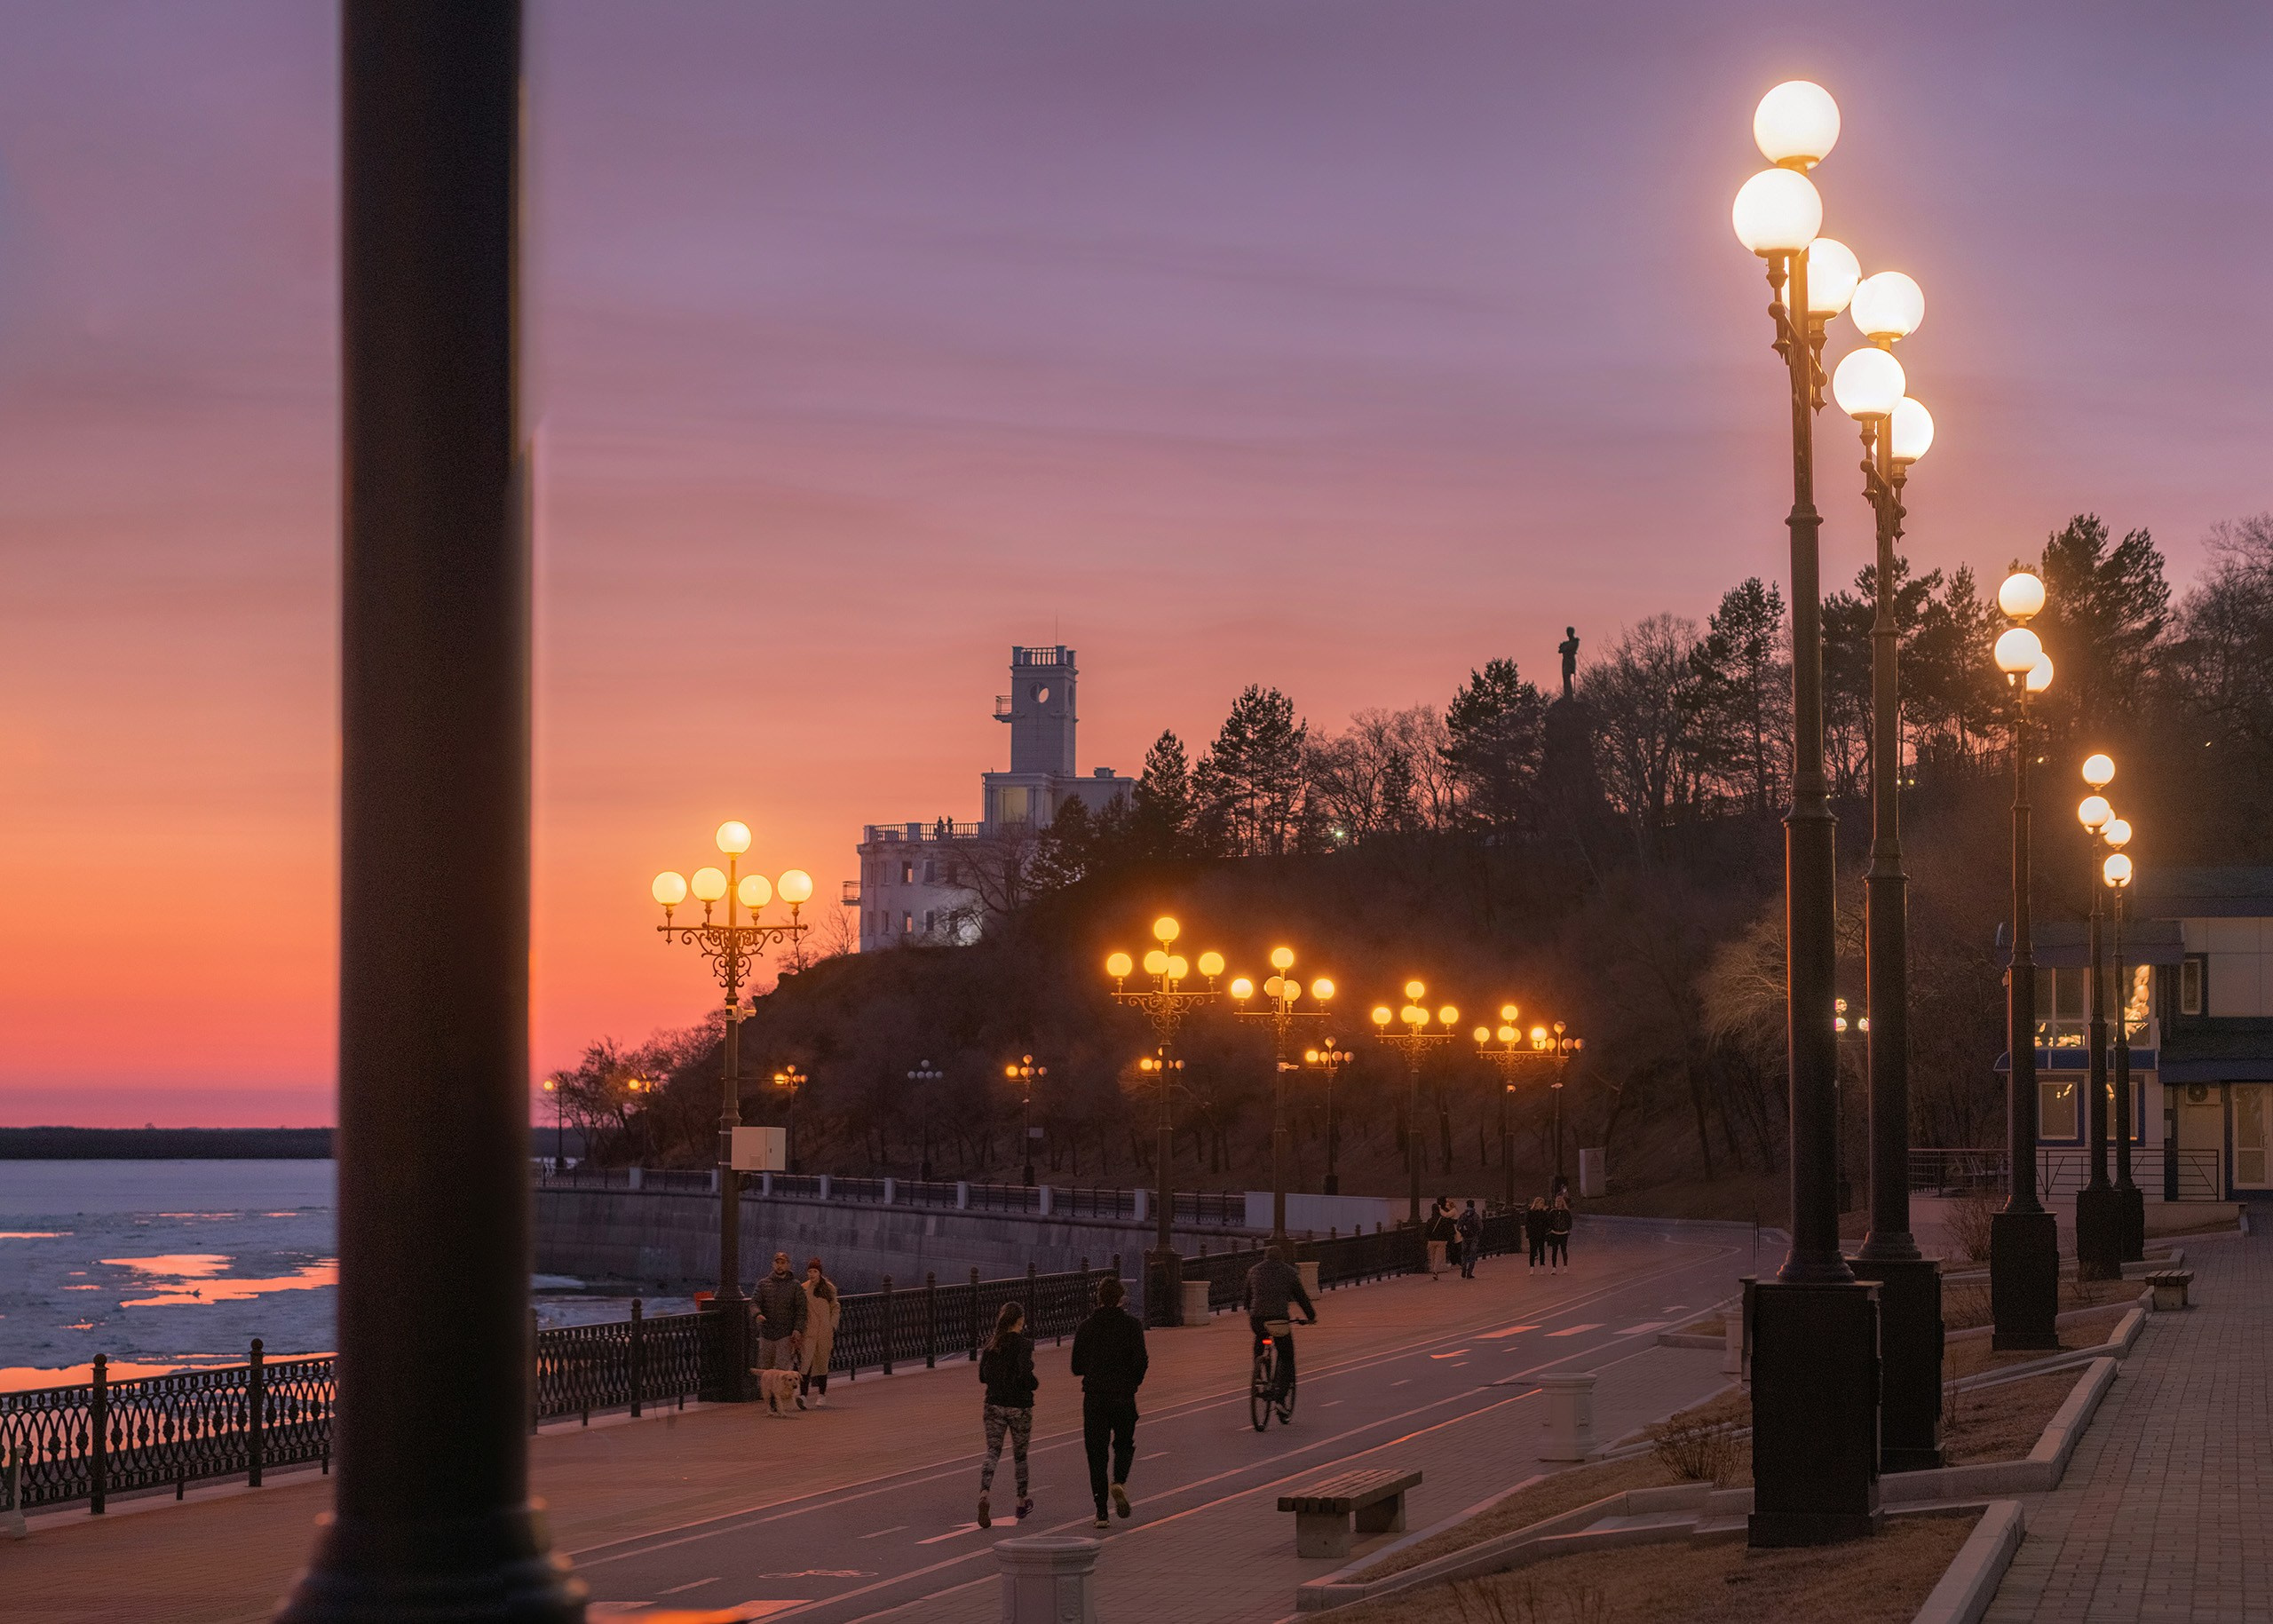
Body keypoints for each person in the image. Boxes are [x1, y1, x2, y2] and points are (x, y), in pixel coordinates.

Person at [1069, 1275, 1148, 1530]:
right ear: (1121, 1298)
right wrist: (1132, 1383)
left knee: (1096, 1455)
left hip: (1095, 1398)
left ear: (1098, 1298)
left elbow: (1076, 1366)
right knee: (1124, 1444)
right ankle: (1119, 1482)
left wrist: (1094, 1369)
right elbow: (1141, 1361)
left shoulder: (1086, 1327)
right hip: (1124, 1396)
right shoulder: (1132, 1326)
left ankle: (1101, 1513)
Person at [975, 1301, 1037, 1528]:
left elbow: (983, 1377)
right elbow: (1025, 1373)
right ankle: (1021, 1501)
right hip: (1019, 1406)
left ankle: (984, 1494)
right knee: (1020, 1455)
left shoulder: (991, 1345)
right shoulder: (1024, 1345)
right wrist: (1033, 1384)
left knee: (992, 1451)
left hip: (994, 1404)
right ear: (1020, 1321)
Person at [1244, 1241, 1317, 1406]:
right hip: (1279, 1320)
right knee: (1286, 1354)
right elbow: (1302, 1298)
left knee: (1260, 1339)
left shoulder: (1253, 1271)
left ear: (1265, 1257)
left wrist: (1252, 1312)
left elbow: (1247, 1299)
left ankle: (1259, 1373)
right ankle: (1280, 1396)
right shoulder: (1289, 1272)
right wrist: (1311, 1316)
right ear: (1281, 1258)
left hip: (1257, 1320)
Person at [751, 1249, 808, 1414]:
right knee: (765, 1368)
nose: (780, 1266)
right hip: (767, 1332)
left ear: (788, 1265)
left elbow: (801, 1310)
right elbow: (754, 1302)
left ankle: (778, 1401)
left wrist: (797, 1329)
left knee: (782, 1369)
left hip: (785, 1333)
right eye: (777, 1263)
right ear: (773, 1264)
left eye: (783, 1263)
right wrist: (757, 1314)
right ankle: (768, 1398)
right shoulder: (763, 1284)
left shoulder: (795, 1285)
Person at [799, 1257, 839, 1409]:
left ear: (820, 1273)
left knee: (822, 1363)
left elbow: (835, 1307)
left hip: (824, 1331)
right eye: (809, 1271)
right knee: (805, 1363)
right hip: (809, 1330)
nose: (812, 1274)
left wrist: (831, 1325)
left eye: (815, 1271)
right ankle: (803, 1395)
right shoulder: (803, 1288)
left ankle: (822, 1394)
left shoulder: (828, 1288)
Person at [1424, 1197, 1454, 1278]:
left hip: (1431, 1241)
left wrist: (1429, 1237)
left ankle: (1433, 1269)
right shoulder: (1442, 1220)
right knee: (1439, 1257)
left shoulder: (1429, 1220)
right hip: (1441, 1241)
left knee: (1432, 1257)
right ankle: (1435, 1270)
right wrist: (1448, 1239)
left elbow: (1426, 1232)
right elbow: (1447, 1231)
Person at [1455, 1200, 1483, 1279]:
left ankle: (1463, 1268)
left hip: (1465, 1237)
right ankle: (1469, 1272)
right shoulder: (1476, 1216)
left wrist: (1463, 1232)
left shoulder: (1463, 1215)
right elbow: (1481, 1227)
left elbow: (1458, 1226)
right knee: (1472, 1254)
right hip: (1473, 1237)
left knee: (1464, 1254)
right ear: (1473, 1205)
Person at [1525, 1196, 1551, 1271]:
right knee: (1533, 1250)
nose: (1542, 1204)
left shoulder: (1544, 1213)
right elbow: (1527, 1223)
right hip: (1533, 1234)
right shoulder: (1530, 1212)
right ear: (1536, 1204)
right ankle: (1532, 1266)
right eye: (1541, 1203)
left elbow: (1547, 1223)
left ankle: (1542, 1265)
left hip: (1541, 1233)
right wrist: (1530, 1232)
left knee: (1541, 1249)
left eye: (1543, 1203)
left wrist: (1545, 1230)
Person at [1548, 1194, 1573, 1272]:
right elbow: (1550, 1221)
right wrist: (1551, 1229)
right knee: (1554, 1251)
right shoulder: (1553, 1212)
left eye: (1560, 1201)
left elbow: (1569, 1221)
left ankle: (1565, 1266)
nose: (1558, 1203)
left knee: (1564, 1250)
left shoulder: (1566, 1212)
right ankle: (1554, 1268)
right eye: (1557, 1201)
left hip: (1564, 1233)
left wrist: (1568, 1229)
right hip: (1554, 1233)